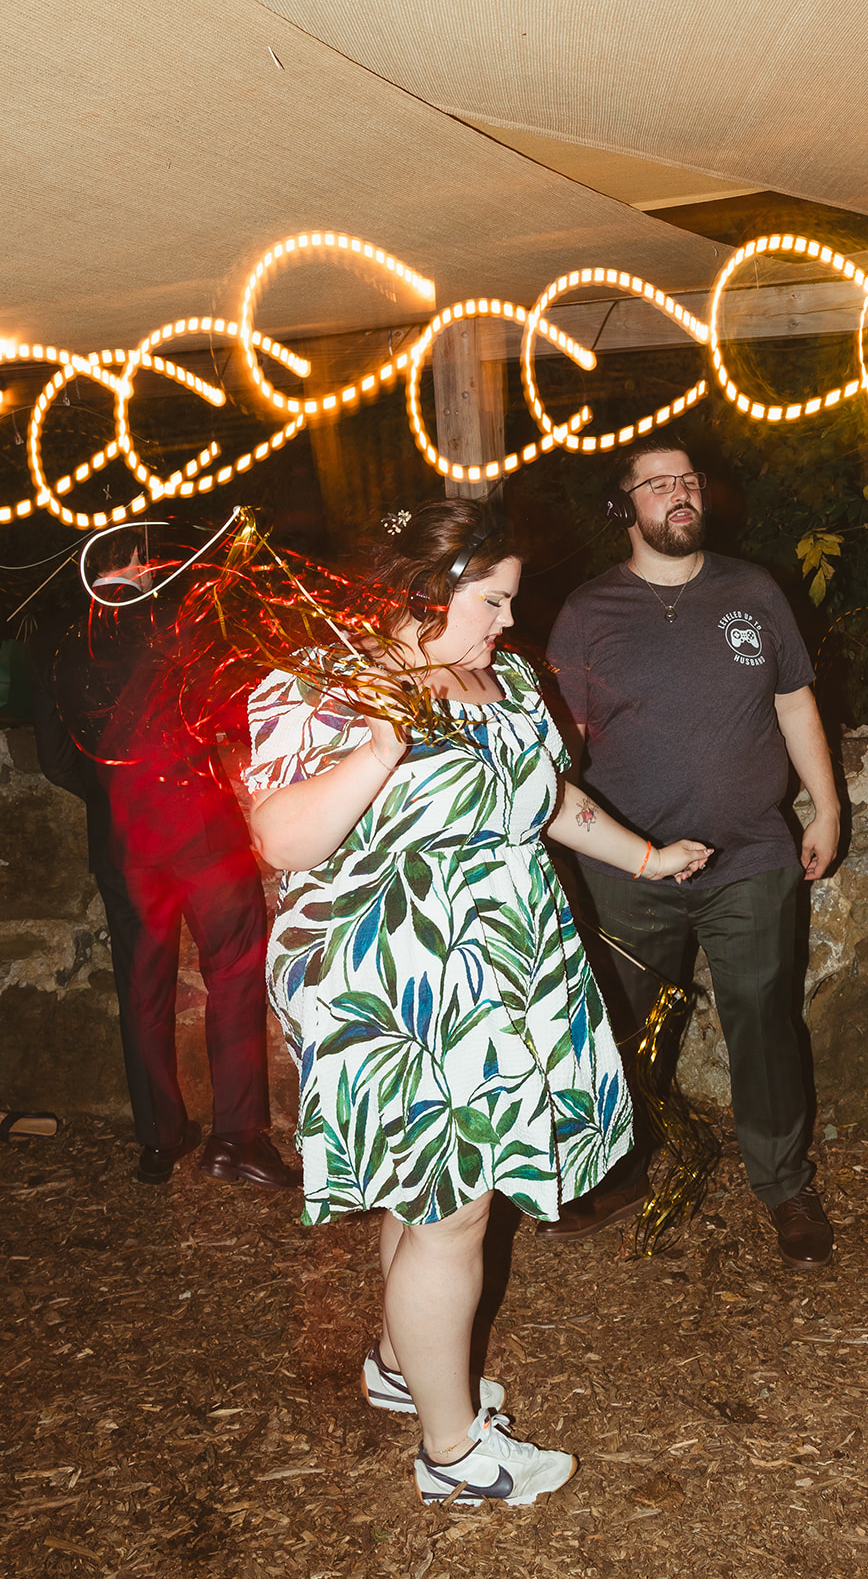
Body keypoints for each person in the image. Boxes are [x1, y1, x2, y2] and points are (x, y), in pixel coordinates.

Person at [244, 500, 708, 1506]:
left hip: (506, 963)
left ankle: (400, 1367)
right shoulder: (322, 683)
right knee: (454, 1204)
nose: (506, 619)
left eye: (506, 600)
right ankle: (452, 1454)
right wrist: (373, 746)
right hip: (395, 981)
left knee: (430, 1195)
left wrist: (644, 853)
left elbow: (543, 800)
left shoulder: (499, 681)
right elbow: (281, 840)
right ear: (425, 589)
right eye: (490, 598)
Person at [545, 430, 841, 1270]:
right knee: (623, 1027)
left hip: (749, 855)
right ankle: (618, 1165)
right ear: (625, 508)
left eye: (689, 480)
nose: (680, 495)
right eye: (657, 485)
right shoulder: (586, 613)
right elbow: (555, 743)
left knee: (763, 1021)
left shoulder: (753, 592)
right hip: (627, 868)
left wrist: (824, 807)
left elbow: (793, 704)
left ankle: (784, 1184)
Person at [35, 526, 297, 1190]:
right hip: (202, 837)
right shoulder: (178, 629)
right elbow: (239, 718)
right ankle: (237, 1138)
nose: (156, 567)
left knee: (141, 992)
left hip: (123, 847)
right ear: (128, 564)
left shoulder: (61, 646)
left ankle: (159, 1140)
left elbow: (56, 762)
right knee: (235, 974)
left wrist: (114, 801)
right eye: (145, 556)